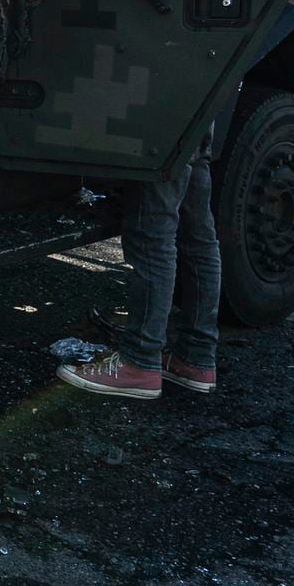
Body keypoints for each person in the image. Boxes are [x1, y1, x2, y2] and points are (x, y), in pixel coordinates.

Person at [56, 128, 221, 399]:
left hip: (162, 113)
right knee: (198, 236)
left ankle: (140, 362)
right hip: (198, 104)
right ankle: (196, 358)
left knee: (153, 236)